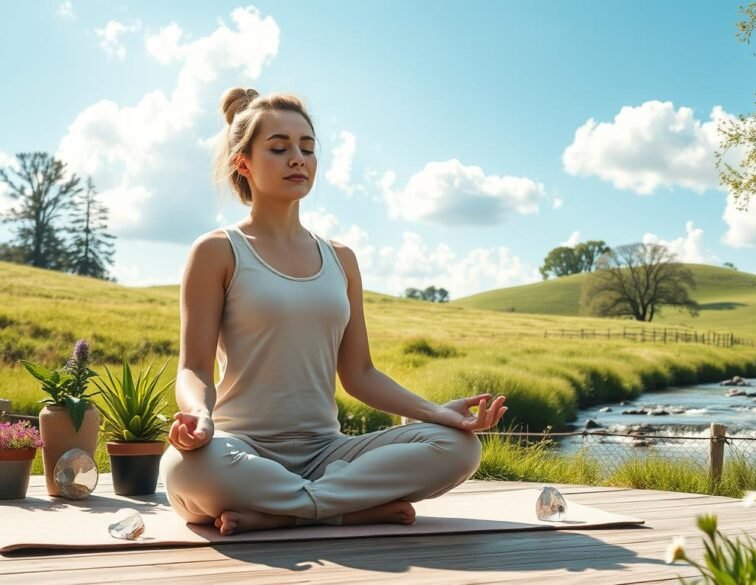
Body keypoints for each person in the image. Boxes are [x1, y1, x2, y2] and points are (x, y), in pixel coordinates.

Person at [159, 87, 508, 536]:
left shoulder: (341, 258)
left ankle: (284, 512)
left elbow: (360, 374)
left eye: (307, 148)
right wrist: (201, 416)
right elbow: (193, 367)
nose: (298, 159)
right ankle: (346, 508)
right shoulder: (217, 250)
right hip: (239, 447)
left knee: (459, 448)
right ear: (242, 162)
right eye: (279, 148)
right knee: (186, 470)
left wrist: (438, 414)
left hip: (327, 452)